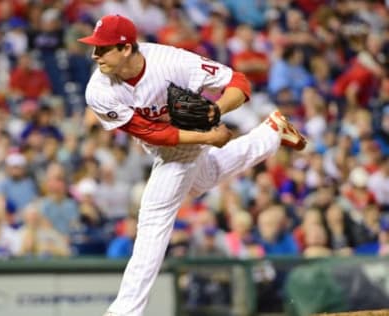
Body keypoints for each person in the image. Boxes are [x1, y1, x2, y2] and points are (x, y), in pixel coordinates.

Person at [78, 14, 307, 316]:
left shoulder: (170, 62)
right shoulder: (99, 90)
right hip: (169, 140)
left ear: (126, 48)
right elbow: (153, 133)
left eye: (103, 48)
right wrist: (211, 135)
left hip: (188, 137)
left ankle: (125, 311)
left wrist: (214, 111)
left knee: (153, 217)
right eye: (94, 48)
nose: (95, 55)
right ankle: (271, 132)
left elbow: (239, 81)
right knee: (205, 177)